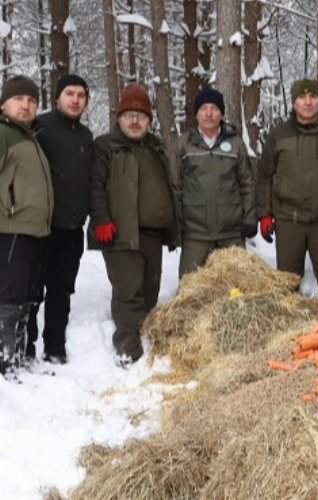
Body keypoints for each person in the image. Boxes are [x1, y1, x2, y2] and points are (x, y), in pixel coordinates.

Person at [89, 82, 178, 364]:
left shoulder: (155, 148)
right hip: (120, 233)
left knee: (150, 290)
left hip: (152, 234)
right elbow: (95, 186)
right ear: (119, 118)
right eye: (129, 115)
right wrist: (101, 219)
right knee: (129, 292)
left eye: (141, 116)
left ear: (150, 121)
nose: (135, 121)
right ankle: (128, 348)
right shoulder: (106, 146)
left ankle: (145, 337)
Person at [26, 75, 93, 365]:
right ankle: (26, 346)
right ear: (57, 97)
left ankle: (55, 346)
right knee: (32, 290)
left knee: (61, 290)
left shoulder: (86, 136)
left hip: (73, 228)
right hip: (41, 227)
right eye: (70, 93)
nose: (75, 99)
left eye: (81, 95)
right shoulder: (39, 127)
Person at [257, 79, 318, 307]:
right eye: (301, 98)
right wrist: (265, 214)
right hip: (288, 220)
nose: (307, 102)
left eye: (312, 97)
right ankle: (288, 332)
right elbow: (264, 176)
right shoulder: (278, 135)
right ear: (293, 103)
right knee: (286, 282)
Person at [0, 76, 53, 375]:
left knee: (27, 299)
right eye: (19, 99)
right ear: (4, 104)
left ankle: (18, 356)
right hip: (11, 232)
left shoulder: (30, 138)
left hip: (34, 233)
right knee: (9, 299)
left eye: (32, 100)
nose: (26, 105)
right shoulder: (4, 134)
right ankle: (5, 363)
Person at [174, 87, 256, 278]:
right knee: (191, 291)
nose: (209, 113)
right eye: (204, 108)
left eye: (214, 108)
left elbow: (247, 183)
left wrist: (250, 218)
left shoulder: (235, 144)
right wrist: (176, 227)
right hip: (195, 234)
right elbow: (175, 186)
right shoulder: (183, 144)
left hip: (231, 233)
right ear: (196, 114)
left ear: (222, 113)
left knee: (238, 288)